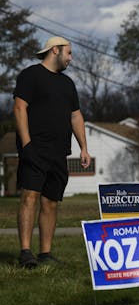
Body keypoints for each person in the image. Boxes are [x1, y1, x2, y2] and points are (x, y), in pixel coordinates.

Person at [14, 36, 91, 268]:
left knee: (51, 202)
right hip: (34, 149)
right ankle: (26, 252)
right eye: (68, 53)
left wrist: (84, 147)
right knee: (30, 197)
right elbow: (19, 107)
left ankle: (45, 253)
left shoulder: (67, 84)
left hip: (59, 153)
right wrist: (26, 144)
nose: (71, 58)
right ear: (55, 50)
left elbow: (75, 115)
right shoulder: (31, 75)